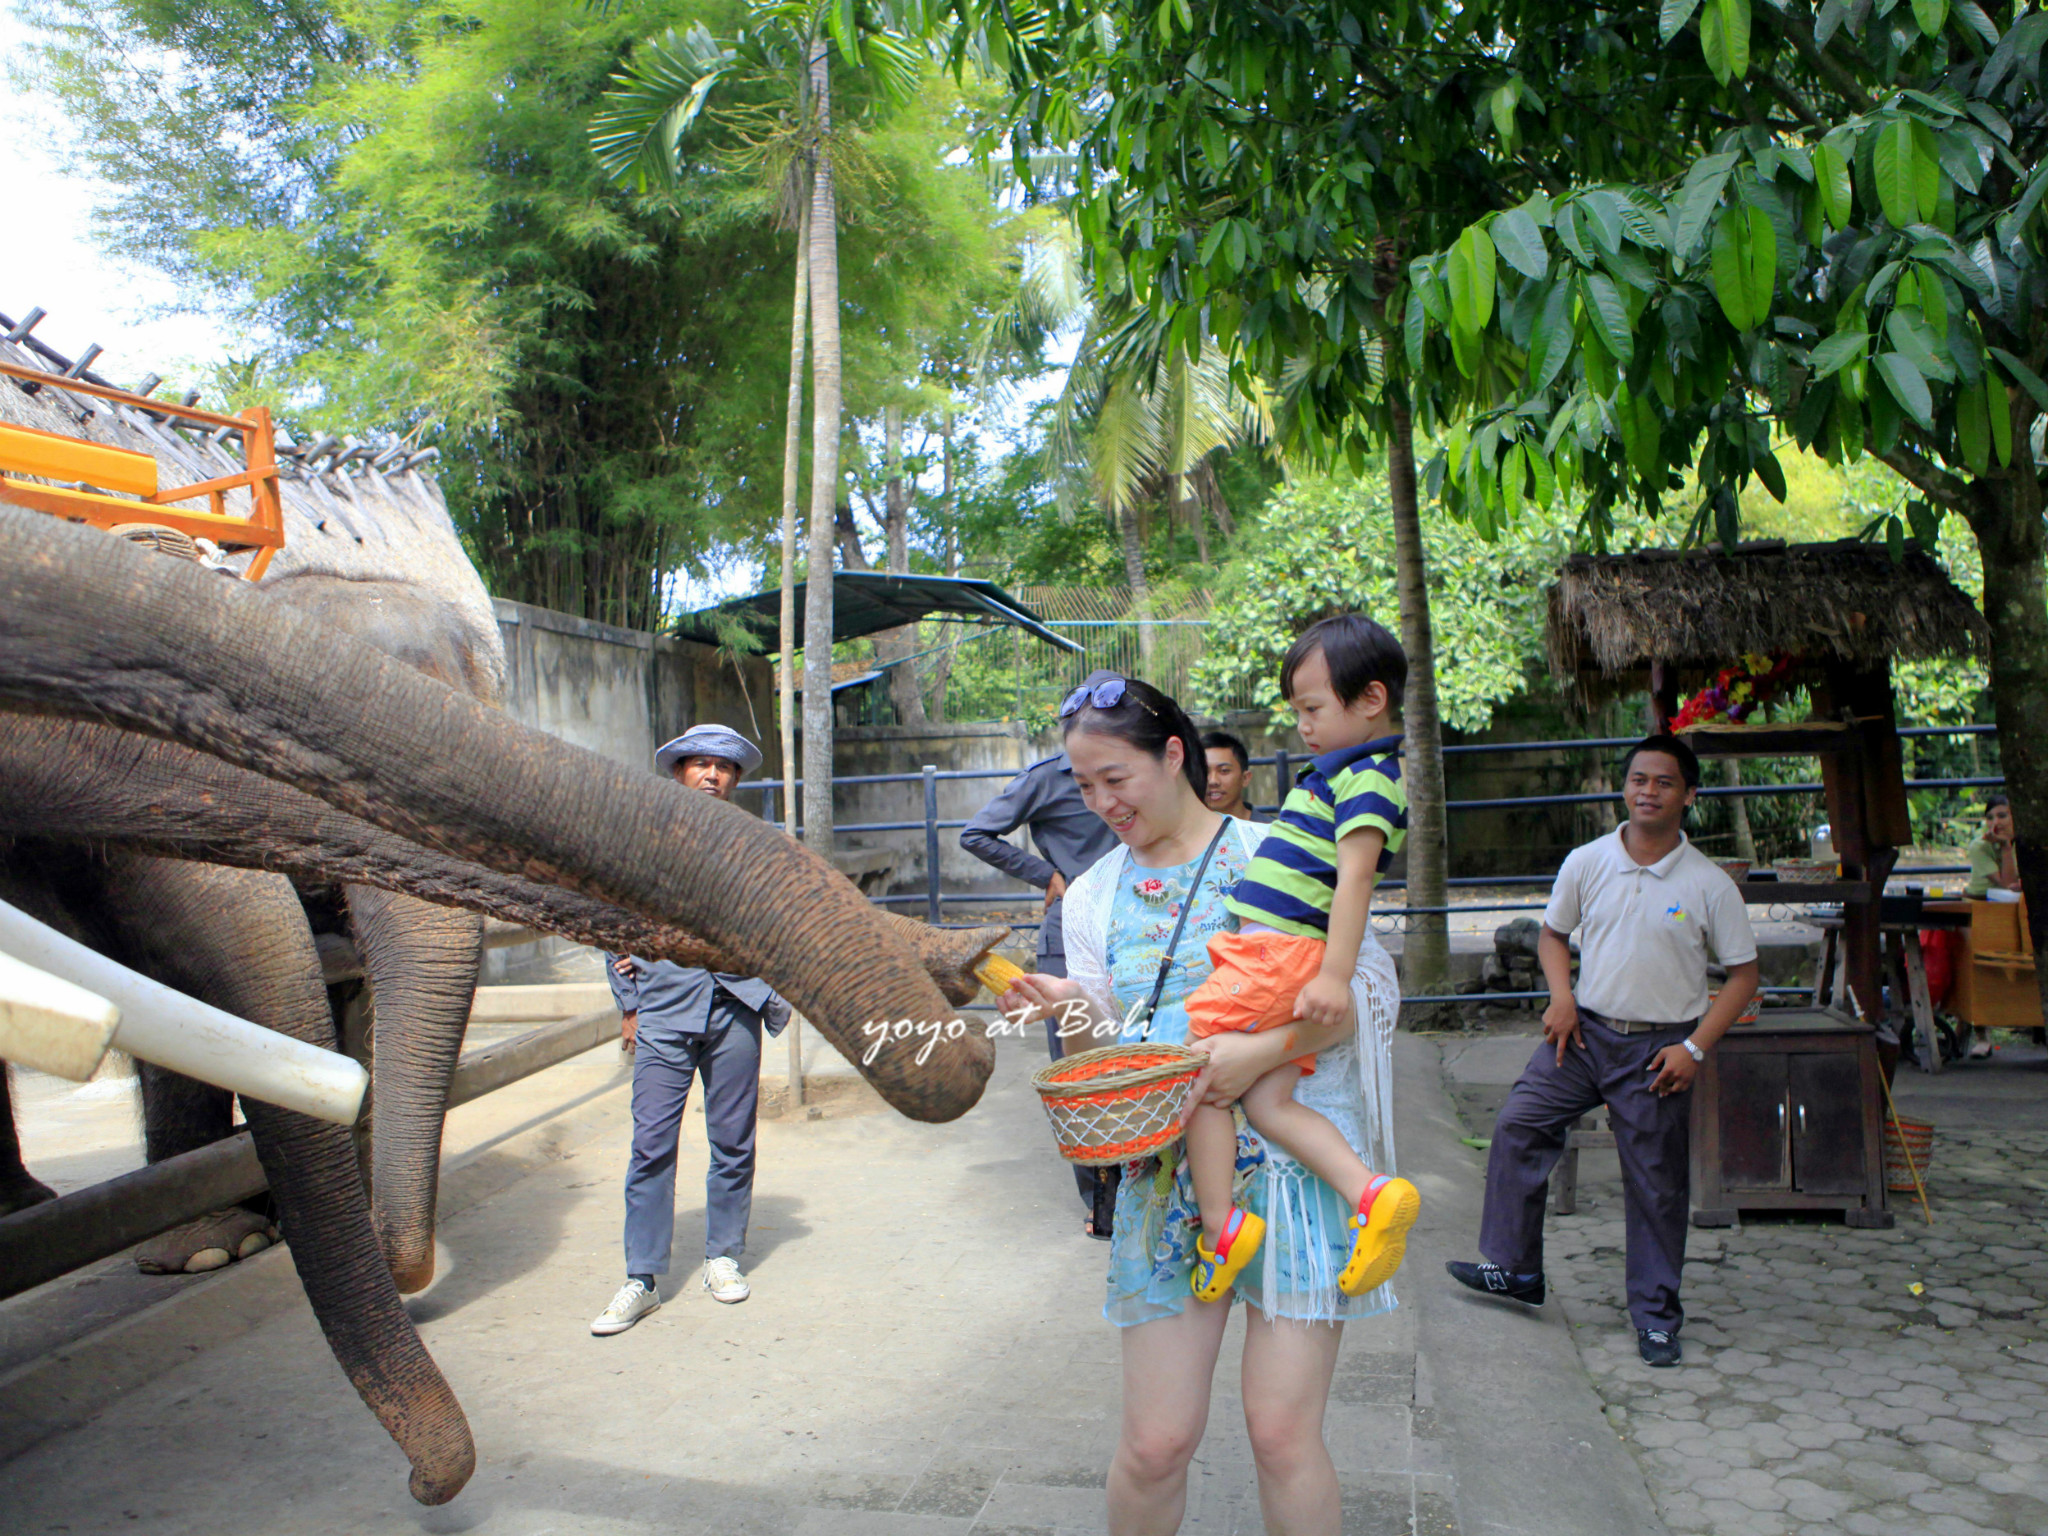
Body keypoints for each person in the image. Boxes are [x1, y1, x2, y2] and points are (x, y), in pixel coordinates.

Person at [1001, 674, 1400, 1536]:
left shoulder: (1276, 848)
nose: (1101, 802)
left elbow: (1367, 993)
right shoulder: (1095, 895)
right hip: (1167, 1180)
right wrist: (1065, 1006)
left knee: (1281, 1434)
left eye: (1117, 778)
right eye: (1082, 786)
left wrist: (1252, 1056)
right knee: (1154, 1444)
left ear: (1174, 754)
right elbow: (1106, 1058)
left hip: (1295, 1171)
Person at [1446, 734, 1760, 1369]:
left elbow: (1744, 977)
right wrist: (1561, 997)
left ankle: (1655, 1318)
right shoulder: (1587, 861)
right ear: (1625, 787)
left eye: (1664, 782)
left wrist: (1694, 1050)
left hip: (1659, 1050)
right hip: (1582, 1034)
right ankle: (1515, 1269)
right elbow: (1554, 936)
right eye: (1639, 779)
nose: (1649, 791)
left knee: (1656, 1185)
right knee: (1518, 1125)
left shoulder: (1708, 884)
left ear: (1689, 795)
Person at [1182, 617, 1421, 1305]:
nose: (1303, 726)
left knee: (1197, 1075)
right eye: (1298, 711)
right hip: (1280, 959)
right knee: (1264, 1099)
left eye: (1312, 709)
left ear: (1370, 699)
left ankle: (1221, 1226)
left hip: (1276, 960)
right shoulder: (1343, 775)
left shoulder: (1371, 781)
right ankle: (1368, 1192)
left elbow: (1357, 880)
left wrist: (1334, 976)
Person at [591, 724, 790, 1334]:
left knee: (733, 1141)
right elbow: (611, 924)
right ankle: (642, 1278)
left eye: (724, 767)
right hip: (665, 1010)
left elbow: (783, 921)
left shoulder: (759, 844)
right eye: (700, 764)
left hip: (735, 1007)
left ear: (735, 780)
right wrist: (630, 1001)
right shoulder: (641, 845)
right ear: (678, 772)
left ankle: (723, 1257)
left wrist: (771, 991)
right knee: (651, 1145)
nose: (712, 775)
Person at [961, 677, 1123, 1233]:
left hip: (1138, 926)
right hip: (1068, 934)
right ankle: (1100, 1204)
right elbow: (977, 833)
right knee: (1078, 1071)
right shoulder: (1047, 779)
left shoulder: (1145, 775)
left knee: (1144, 1053)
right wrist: (1047, 874)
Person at [1200, 729, 1265, 821]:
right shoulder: (1182, 833)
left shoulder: (1271, 831)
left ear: (1245, 778)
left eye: (1224, 770)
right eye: (1204, 772)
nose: (1213, 781)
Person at [1966, 795, 2021, 899]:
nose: (1995, 823)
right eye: (1990, 818)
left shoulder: (2025, 843)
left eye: (2002, 816)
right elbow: (2008, 886)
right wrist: (2005, 846)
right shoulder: (1979, 846)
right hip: (1981, 901)